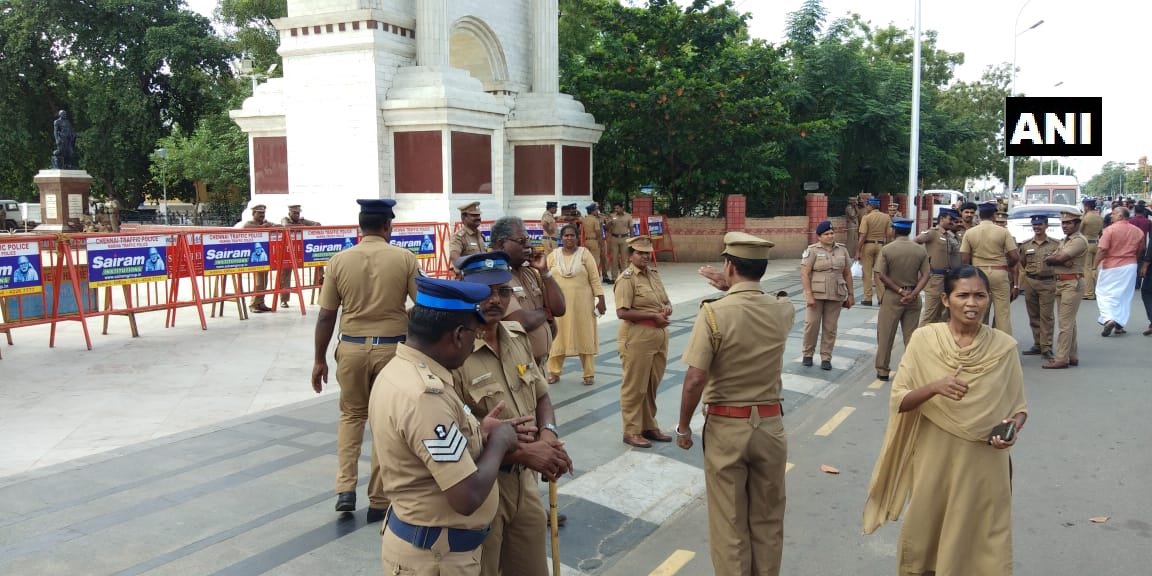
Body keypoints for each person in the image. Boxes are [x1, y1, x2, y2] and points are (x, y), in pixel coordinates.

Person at [863, 265, 1029, 576]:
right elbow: (901, 400)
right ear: (945, 299)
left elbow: (1018, 408)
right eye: (963, 295)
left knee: (982, 537)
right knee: (927, 531)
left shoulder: (1003, 347)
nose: (972, 303)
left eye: (980, 296)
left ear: (989, 299)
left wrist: (1011, 430)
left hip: (985, 460)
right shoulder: (925, 339)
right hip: (934, 456)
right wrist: (934, 387)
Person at [369, 276, 524, 575]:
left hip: (429, 546)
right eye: (473, 335)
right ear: (457, 335)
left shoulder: (400, 369)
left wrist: (479, 432)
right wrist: (500, 441)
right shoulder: (425, 396)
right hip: (437, 560)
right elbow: (466, 496)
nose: (472, 344)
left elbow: (427, 446)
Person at [675, 232, 793, 576]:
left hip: (727, 427)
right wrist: (733, 287)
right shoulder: (783, 309)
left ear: (728, 266)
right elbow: (756, 305)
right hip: (770, 426)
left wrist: (683, 427)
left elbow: (695, 378)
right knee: (768, 518)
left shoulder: (712, 315)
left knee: (730, 521)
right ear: (763, 269)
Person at [451, 252, 573, 576]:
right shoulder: (454, 349)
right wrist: (529, 452)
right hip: (483, 486)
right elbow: (456, 431)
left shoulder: (517, 338)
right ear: (464, 290)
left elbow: (542, 396)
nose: (495, 299)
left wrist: (549, 435)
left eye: (503, 291)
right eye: (484, 291)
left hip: (526, 485)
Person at [312, 199, 420, 521]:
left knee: (351, 416)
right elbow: (423, 303)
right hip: (392, 351)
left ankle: (345, 488)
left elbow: (325, 315)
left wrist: (319, 360)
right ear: (388, 226)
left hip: (352, 350)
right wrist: (400, 317)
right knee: (384, 422)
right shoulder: (404, 258)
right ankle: (378, 500)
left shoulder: (339, 261)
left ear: (360, 226)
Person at [615, 235, 672, 448]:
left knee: (651, 385)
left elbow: (665, 301)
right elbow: (622, 312)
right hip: (637, 337)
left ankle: (649, 425)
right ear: (631, 255)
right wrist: (651, 317)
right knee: (635, 387)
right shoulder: (627, 279)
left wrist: (667, 309)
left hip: (658, 336)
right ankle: (631, 430)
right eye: (640, 253)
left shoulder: (654, 276)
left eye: (647, 253)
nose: (645, 257)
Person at [489, 216, 566, 369]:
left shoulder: (529, 272)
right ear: (500, 244)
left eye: (528, 239)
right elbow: (519, 321)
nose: (529, 245)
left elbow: (559, 309)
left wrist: (545, 272)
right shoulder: (495, 277)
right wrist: (545, 313)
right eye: (521, 241)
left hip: (538, 367)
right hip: (516, 369)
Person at [547, 224, 605, 385]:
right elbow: (544, 278)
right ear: (561, 238)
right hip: (559, 306)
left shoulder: (585, 254)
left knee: (584, 335)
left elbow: (594, 278)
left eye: (572, 235)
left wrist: (601, 300)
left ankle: (588, 374)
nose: (569, 238)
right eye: (566, 236)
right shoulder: (553, 255)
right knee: (557, 337)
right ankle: (554, 372)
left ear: (577, 237)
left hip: (583, 305)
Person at [873, 218, 930, 381]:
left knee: (886, 335)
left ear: (894, 230)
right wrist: (913, 293)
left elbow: (881, 275)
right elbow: (926, 274)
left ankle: (883, 370)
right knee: (911, 336)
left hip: (892, 296)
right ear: (909, 231)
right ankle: (912, 370)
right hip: (913, 296)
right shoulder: (920, 250)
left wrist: (899, 290)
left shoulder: (887, 250)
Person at [960, 201, 1019, 335]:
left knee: (979, 310)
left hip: (978, 273)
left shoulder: (970, 233)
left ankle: (978, 344)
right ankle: (1004, 349)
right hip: (999, 271)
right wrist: (1006, 266)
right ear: (994, 215)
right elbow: (1015, 257)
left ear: (979, 216)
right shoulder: (1003, 232)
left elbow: (964, 258)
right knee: (1002, 313)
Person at [800, 221, 853, 371]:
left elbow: (847, 273)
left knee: (830, 328)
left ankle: (826, 357)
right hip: (816, 295)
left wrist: (851, 294)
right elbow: (804, 273)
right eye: (826, 234)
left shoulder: (842, 250)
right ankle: (808, 354)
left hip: (836, 293)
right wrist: (808, 295)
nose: (830, 236)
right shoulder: (812, 251)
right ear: (819, 237)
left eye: (832, 233)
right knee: (811, 325)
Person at [1041, 210, 1088, 369]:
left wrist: (1057, 260)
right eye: (1063, 223)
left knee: (1065, 324)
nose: (1065, 226)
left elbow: (1057, 258)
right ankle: (1071, 355)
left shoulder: (1078, 241)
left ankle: (1061, 358)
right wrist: (1057, 260)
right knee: (1069, 322)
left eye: (1069, 223)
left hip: (1071, 283)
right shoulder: (1066, 240)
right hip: (1063, 283)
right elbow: (1055, 258)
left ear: (1077, 224)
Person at [1093, 206, 1144, 336]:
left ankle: (1109, 319)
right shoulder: (1138, 231)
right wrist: (1133, 260)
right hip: (1130, 266)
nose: (1111, 216)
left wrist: (1094, 266)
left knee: (1104, 293)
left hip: (1112, 266)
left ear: (1121, 216)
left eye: (1114, 213)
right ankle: (1119, 325)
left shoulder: (1109, 230)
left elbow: (1102, 250)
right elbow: (1141, 250)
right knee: (1124, 296)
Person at [1017, 214, 1059, 360]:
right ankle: (1038, 344)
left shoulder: (1055, 244)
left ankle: (1047, 346)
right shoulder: (1026, 245)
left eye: (1040, 225)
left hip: (1047, 282)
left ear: (1046, 226)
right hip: (1030, 281)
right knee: (1033, 315)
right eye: (1034, 225)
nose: (1037, 228)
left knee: (1046, 316)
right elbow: (1022, 263)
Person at [915, 207, 960, 326]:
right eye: (950, 219)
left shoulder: (948, 236)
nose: (953, 222)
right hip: (935, 278)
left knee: (940, 315)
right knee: (930, 314)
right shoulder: (932, 233)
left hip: (946, 278)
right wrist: (923, 262)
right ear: (942, 218)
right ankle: (917, 341)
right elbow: (916, 241)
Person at [280, 204, 321, 308]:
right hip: (288, 252)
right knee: (285, 275)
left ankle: (322, 297)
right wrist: (304, 228)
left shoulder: (302, 221)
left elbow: (318, 224)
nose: (297, 215)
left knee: (320, 267)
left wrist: (303, 226)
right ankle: (284, 300)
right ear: (289, 213)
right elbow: (287, 227)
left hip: (302, 252)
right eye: (294, 213)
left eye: (298, 213)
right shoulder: (285, 219)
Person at [242, 204, 279, 313]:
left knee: (264, 281)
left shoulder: (265, 223)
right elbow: (245, 228)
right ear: (253, 213)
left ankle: (261, 303)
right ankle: (253, 304)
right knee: (258, 282)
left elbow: (279, 226)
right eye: (260, 213)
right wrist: (264, 227)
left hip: (264, 256)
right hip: (254, 257)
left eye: (263, 213)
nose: (262, 215)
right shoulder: (250, 224)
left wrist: (271, 226)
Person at [856, 197, 892, 306]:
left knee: (867, 273)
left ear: (871, 206)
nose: (866, 207)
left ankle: (868, 298)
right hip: (881, 246)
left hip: (868, 245)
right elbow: (889, 234)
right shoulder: (886, 217)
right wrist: (887, 246)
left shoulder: (866, 218)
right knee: (879, 272)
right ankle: (881, 298)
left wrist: (858, 250)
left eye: (867, 205)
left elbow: (862, 235)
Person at [449, 201, 487, 274]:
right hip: (468, 278)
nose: (478, 218)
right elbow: (455, 258)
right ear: (464, 217)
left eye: (478, 215)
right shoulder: (458, 237)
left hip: (483, 275)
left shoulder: (481, 235)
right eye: (474, 215)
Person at [1080, 198, 1104, 300]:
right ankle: (1095, 291)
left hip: (1087, 244)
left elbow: (1079, 231)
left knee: (1087, 269)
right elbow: (1101, 233)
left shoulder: (1085, 218)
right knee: (1094, 269)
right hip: (1096, 243)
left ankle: (1089, 293)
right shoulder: (1099, 217)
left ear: (1086, 207)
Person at [606, 202, 633, 283]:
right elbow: (607, 228)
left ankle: (624, 277)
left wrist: (632, 240)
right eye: (615, 208)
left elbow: (631, 228)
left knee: (624, 259)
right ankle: (614, 278)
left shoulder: (628, 216)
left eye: (618, 208)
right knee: (614, 259)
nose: (616, 210)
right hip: (614, 238)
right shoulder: (612, 216)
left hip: (625, 239)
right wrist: (609, 223)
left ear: (622, 208)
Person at [582, 203, 608, 283]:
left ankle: (588, 278)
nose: (598, 211)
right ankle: (594, 279)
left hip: (587, 241)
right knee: (595, 261)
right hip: (595, 241)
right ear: (593, 211)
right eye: (596, 210)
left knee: (588, 261)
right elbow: (598, 234)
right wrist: (601, 245)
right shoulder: (595, 220)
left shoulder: (585, 219)